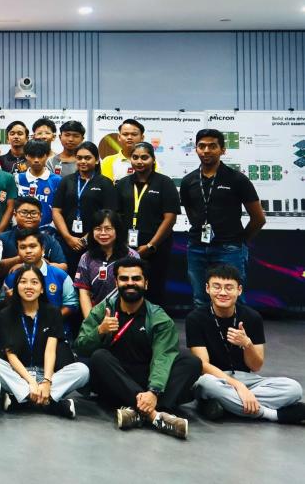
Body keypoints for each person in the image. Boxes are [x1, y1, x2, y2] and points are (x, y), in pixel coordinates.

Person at [75, 258, 201, 439]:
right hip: (116, 380)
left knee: (191, 362)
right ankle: (154, 415)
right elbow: (80, 347)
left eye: (136, 278)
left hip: (148, 376)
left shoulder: (159, 317)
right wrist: (100, 331)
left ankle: (137, 412)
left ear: (146, 283)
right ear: (116, 283)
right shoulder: (103, 310)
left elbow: (163, 357)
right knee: (99, 356)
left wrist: (153, 391)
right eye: (124, 279)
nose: (130, 283)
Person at [186, 264, 305, 424]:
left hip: (247, 379)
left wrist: (247, 344)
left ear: (239, 290)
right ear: (207, 288)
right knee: (205, 384)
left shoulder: (252, 317)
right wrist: (238, 387)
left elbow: (256, 366)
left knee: (293, 388)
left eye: (229, 288)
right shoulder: (195, 318)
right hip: (215, 379)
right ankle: (272, 414)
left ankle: (227, 405)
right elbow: (203, 365)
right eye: (217, 287)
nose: (222, 292)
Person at [0, 264, 89, 417]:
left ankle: (22, 399)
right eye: (23, 282)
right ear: (16, 286)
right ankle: (50, 402)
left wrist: (46, 381)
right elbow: (10, 354)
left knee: (82, 370)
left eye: (34, 282)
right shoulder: (5, 315)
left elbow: (50, 350)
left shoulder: (52, 312)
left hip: (47, 374)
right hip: (18, 375)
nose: (28, 286)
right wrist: (31, 383)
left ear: (41, 289)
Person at [180, 128, 265, 307]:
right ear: (196, 149)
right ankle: (205, 335)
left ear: (222, 150)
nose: (206, 150)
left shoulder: (237, 179)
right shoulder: (188, 181)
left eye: (212, 146)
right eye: (201, 146)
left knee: (233, 300)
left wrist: (239, 241)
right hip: (196, 248)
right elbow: (192, 213)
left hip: (229, 249)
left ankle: (233, 336)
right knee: (200, 298)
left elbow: (258, 218)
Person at [115, 142, 180, 305]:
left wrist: (151, 246)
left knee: (154, 289)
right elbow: (116, 216)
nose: (139, 161)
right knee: (128, 288)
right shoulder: (122, 184)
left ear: (153, 159)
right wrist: (121, 245)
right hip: (126, 248)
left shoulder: (165, 183)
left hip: (156, 249)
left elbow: (170, 218)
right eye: (135, 157)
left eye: (144, 157)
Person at [52, 141, 118, 272]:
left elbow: (109, 214)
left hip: (95, 241)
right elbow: (56, 211)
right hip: (67, 241)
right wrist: (68, 237)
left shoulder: (105, 183)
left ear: (97, 160)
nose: (83, 161)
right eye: (79, 158)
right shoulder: (67, 180)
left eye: (87, 158)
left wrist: (85, 239)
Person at [0, 230, 79, 336]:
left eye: (33, 246)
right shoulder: (11, 278)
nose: (28, 251)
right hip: (23, 334)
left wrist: (49, 321)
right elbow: (2, 305)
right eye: (23, 247)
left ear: (42, 249)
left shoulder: (60, 275)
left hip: (56, 333)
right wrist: (8, 300)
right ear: (18, 251)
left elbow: (72, 304)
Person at [75, 210, 140, 317]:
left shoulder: (132, 256)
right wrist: (91, 322)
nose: (103, 233)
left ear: (117, 230)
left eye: (108, 229)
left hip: (126, 315)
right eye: (98, 229)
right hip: (96, 314)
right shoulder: (86, 258)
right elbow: (84, 293)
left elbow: (136, 290)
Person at [0, 196, 69, 275]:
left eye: (33, 213)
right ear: (15, 214)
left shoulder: (49, 239)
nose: (28, 216)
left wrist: (38, 263)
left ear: (40, 216)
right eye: (24, 212)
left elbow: (63, 267)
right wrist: (21, 259)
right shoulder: (3, 238)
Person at [15, 140, 61, 223]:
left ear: (47, 156)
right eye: (32, 156)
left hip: (48, 232)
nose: (36, 160)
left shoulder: (57, 180)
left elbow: (59, 210)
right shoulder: (17, 178)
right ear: (26, 156)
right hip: (21, 230)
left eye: (40, 156)